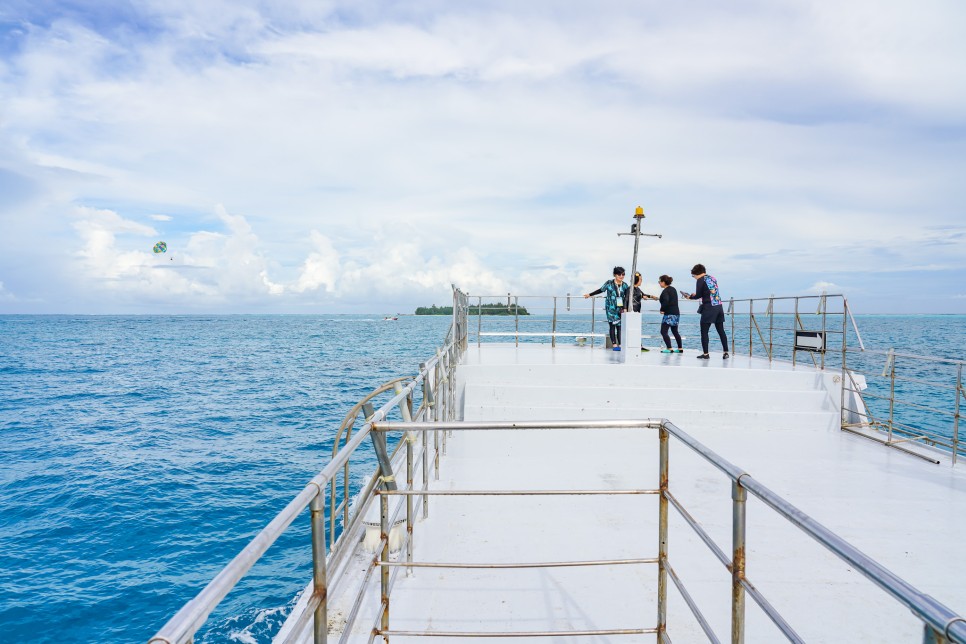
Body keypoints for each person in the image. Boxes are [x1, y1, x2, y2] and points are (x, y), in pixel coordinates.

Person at [681, 264, 729, 360]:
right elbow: (709, 292)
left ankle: (706, 354)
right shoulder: (712, 278)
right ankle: (726, 352)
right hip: (718, 306)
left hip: (709, 308)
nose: (694, 278)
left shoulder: (700, 280)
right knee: (721, 330)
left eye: (693, 276)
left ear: (697, 273)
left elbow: (698, 295)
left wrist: (689, 296)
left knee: (704, 331)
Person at [584, 266, 629, 351]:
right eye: (619, 274)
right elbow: (601, 290)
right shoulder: (609, 283)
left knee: (619, 327)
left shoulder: (625, 285)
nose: (621, 276)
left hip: (620, 309)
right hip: (611, 308)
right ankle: (614, 345)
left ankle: (621, 344)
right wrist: (590, 294)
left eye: (623, 274)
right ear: (615, 275)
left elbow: (627, 297)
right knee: (612, 325)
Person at [656, 275, 683, 353]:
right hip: (676, 313)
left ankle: (669, 348)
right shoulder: (673, 289)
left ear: (663, 282)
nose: (659, 283)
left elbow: (666, 301)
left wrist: (662, 309)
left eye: (659, 282)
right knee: (675, 331)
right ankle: (680, 348)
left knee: (663, 331)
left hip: (669, 314)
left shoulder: (665, 291)